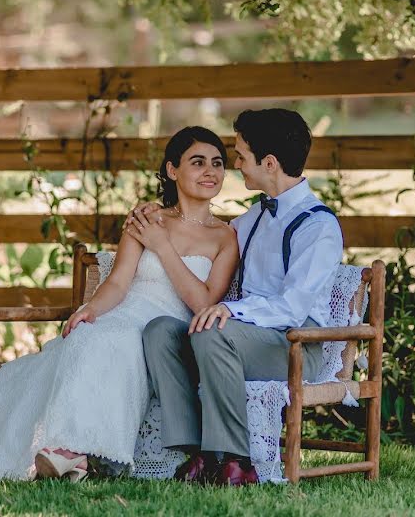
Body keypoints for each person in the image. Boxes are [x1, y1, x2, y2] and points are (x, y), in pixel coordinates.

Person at [0, 126, 239, 481]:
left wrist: (162, 246)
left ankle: (72, 451)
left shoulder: (225, 236)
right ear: (173, 170)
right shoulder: (147, 219)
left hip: (168, 329)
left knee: (118, 340)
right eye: (198, 162)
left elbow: (204, 301)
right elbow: (118, 282)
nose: (210, 171)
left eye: (217, 163)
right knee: (90, 334)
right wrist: (91, 309)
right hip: (127, 311)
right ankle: (72, 454)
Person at [138, 108, 344, 486]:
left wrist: (229, 310)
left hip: (297, 346)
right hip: (243, 339)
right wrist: (158, 215)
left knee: (211, 331)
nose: (235, 166)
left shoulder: (318, 225)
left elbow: (292, 309)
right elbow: (202, 227)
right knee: (161, 331)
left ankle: (236, 461)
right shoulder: (252, 218)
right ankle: (197, 452)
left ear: (269, 163)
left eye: (240, 157)